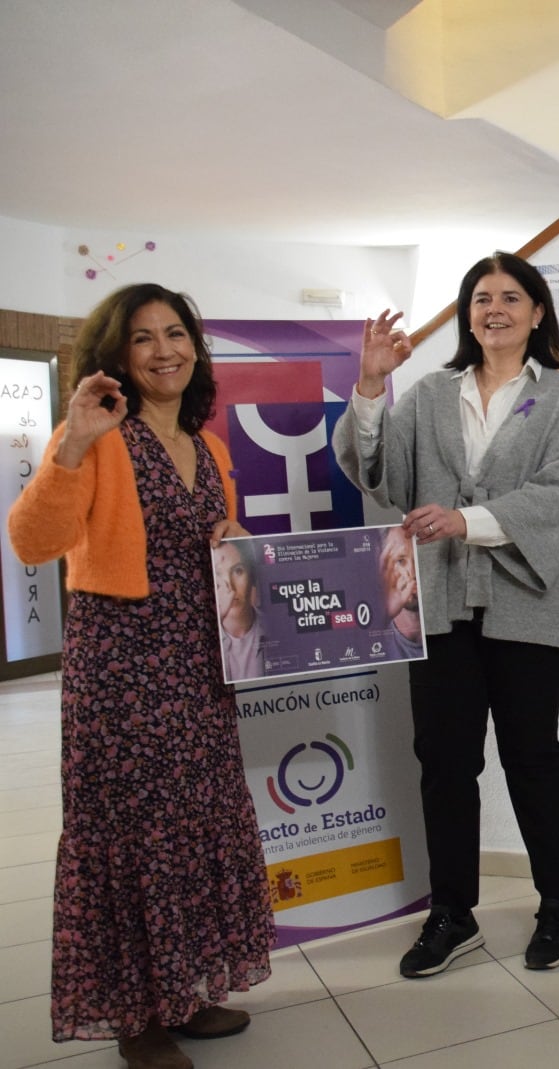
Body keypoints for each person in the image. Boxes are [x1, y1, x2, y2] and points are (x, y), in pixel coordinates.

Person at [8, 283, 273, 1069]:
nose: (165, 350)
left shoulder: (212, 445)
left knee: (194, 825)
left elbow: (213, 545)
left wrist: (233, 536)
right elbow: (31, 539)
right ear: (117, 355)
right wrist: (72, 447)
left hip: (199, 663)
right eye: (144, 338)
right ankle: (136, 1014)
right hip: (122, 665)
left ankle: (185, 990)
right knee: (131, 836)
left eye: (177, 333)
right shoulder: (96, 434)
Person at [333, 252, 559, 978]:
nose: (495, 309)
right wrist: (369, 385)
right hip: (442, 606)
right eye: (481, 297)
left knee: (532, 756)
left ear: (538, 312)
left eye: (512, 297)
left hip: (531, 605)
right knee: (445, 763)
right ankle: (451, 911)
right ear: (466, 312)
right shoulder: (426, 394)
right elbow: (375, 470)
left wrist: (467, 519)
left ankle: (555, 904)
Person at [213, 539, 264, 681]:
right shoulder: (200, 640)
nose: (230, 585)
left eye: (237, 571)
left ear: (252, 576)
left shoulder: (276, 627)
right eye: (219, 573)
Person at [378, 525, 424, 659]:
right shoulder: (376, 639)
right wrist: (383, 617)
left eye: (418, 558)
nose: (413, 572)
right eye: (400, 560)